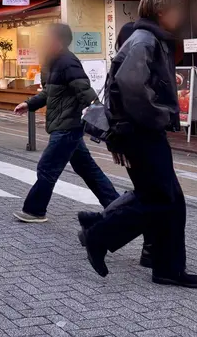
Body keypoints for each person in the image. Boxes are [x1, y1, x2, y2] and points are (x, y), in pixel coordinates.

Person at [79, 0, 197, 288]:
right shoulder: (146, 40)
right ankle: (99, 235)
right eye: (178, 9)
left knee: (169, 200)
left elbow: (132, 83)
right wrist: (159, 114)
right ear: (163, 12)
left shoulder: (148, 39)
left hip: (139, 131)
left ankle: (166, 267)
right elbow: (129, 85)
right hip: (141, 132)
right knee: (161, 199)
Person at [12, 23, 119, 223]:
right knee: (88, 170)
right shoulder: (54, 62)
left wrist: (99, 116)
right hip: (66, 126)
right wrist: (29, 104)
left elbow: (84, 89)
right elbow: (49, 92)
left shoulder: (68, 62)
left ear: (58, 41)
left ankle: (35, 210)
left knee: (47, 167)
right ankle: (116, 206)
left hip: (67, 127)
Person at [77, 20, 154, 269]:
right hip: (138, 138)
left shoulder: (121, 63)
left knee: (153, 194)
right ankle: (101, 228)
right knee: (156, 196)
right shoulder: (133, 66)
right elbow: (119, 108)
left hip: (130, 138)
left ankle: (101, 221)